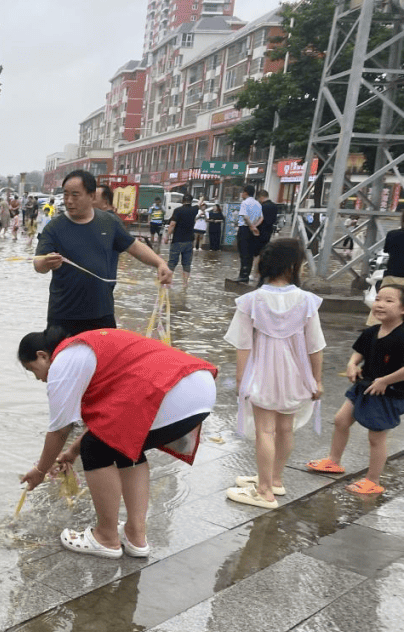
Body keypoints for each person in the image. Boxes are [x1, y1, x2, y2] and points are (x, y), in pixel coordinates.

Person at [18, 327, 217, 558]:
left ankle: (106, 537)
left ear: (42, 356)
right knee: (124, 447)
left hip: (172, 393)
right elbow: (109, 424)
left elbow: (59, 431)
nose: (39, 378)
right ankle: (135, 536)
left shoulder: (62, 363)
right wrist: (72, 452)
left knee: (95, 448)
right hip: (198, 387)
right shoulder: (84, 347)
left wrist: (40, 471)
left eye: (32, 370)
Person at [223, 238, 325, 509]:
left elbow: (243, 345)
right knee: (285, 428)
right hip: (295, 374)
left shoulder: (251, 301)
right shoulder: (306, 301)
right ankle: (275, 479)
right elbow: (315, 346)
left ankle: (264, 490)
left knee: (265, 431)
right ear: (293, 266)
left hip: (262, 374)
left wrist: (241, 380)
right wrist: (317, 380)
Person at [34, 169, 173, 336]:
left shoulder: (109, 222)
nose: (69, 201)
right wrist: (46, 263)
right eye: (66, 195)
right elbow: (38, 264)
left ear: (91, 196)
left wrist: (160, 263)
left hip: (102, 313)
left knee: (106, 353)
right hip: (63, 315)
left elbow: (134, 246)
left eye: (75, 195)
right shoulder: (55, 227)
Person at [307, 284, 404, 495]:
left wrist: (385, 380)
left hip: (388, 393)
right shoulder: (371, 332)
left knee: (376, 437)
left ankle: (373, 480)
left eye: (389, 301)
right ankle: (333, 460)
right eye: (378, 299)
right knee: (341, 420)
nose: (380, 304)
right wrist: (352, 364)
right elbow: (359, 352)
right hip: (364, 386)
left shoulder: (401, 335)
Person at [364, 210, 404, 326]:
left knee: (384, 303)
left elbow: (387, 250)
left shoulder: (392, 234)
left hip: (391, 276)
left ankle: (376, 328)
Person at [165, 193, 199, 290]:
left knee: (172, 263)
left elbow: (172, 224)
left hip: (177, 240)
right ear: (191, 201)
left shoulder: (177, 210)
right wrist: (201, 199)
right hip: (189, 241)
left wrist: (167, 237)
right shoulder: (194, 210)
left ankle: (168, 283)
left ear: (182, 201)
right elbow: (199, 205)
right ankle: (185, 284)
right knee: (187, 264)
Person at [236, 184, 263, 283]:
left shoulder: (245, 203)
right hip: (253, 230)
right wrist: (255, 226)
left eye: (242, 192)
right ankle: (247, 274)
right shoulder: (258, 203)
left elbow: (245, 217)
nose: (241, 194)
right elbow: (261, 218)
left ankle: (243, 275)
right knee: (250, 253)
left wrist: (251, 226)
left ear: (246, 193)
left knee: (243, 252)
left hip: (245, 228)